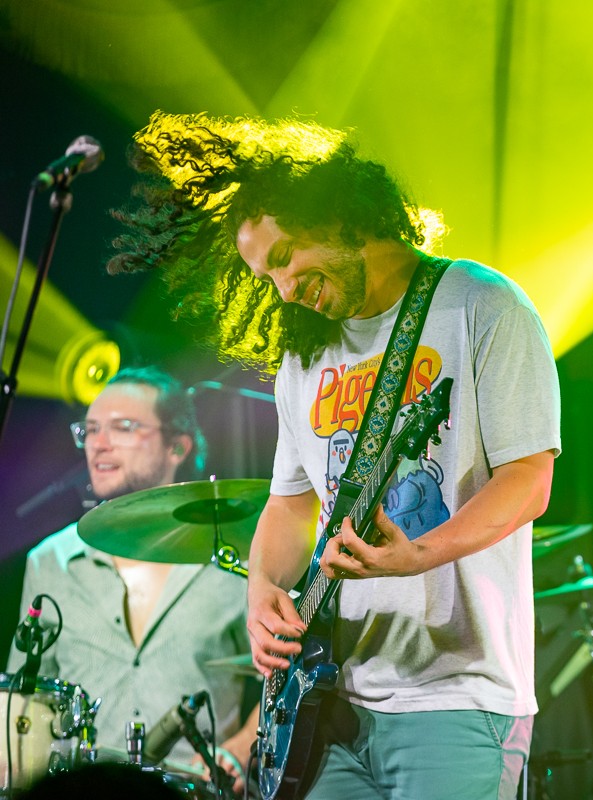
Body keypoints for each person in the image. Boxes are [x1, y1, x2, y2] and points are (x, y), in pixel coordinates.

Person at [106, 111, 561, 799]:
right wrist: (261, 592)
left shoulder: (482, 306)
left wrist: (420, 552)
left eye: (285, 258)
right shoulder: (304, 353)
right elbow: (291, 506)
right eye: (266, 277)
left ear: (340, 217)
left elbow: (529, 481)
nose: (284, 289)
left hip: (456, 697)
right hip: (328, 702)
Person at [6, 366, 258, 792]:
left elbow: (284, 682)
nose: (98, 445)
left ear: (178, 445)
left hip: (193, 790)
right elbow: (22, 700)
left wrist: (239, 747)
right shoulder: (49, 560)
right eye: (90, 430)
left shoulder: (236, 559)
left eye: (123, 428)